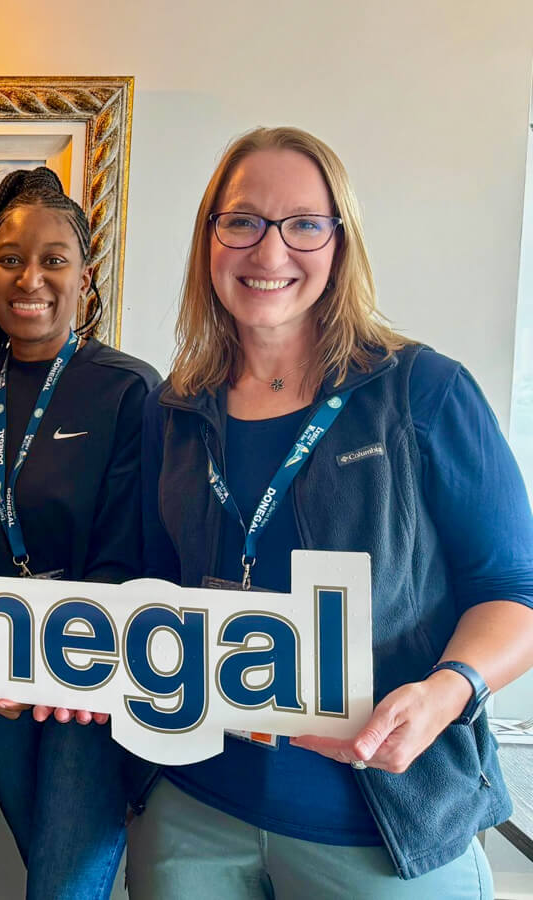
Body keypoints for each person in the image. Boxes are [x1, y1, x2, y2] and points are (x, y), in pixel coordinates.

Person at [133, 125, 533, 897]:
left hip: (383, 831)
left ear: (340, 242)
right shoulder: (173, 409)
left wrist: (448, 689)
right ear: (209, 238)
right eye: (242, 221)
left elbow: (514, 590)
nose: (269, 250)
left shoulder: (424, 391)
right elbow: (152, 590)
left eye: (303, 225)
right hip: (192, 818)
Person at [0, 167, 159, 899]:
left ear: (85, 274)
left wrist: (56, 658)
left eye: (53, 259)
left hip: (92, 677)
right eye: (10, 259)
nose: (30, 279)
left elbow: (132, 548)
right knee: (47, 875)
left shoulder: (129, 388)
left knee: (62, 887)